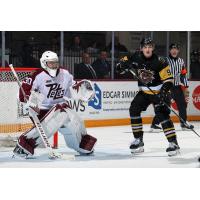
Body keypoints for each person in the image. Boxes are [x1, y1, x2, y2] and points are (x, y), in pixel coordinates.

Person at [13, 50, 97, 158]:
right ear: (44, 63)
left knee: (74, 119)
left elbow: (73, 87)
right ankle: (24, 144)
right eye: (50, 63)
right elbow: (23, 92)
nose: (54, 65)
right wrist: (29, 103)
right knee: (60, 112)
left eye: (55, 62)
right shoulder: (37, 75)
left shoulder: (64, 73)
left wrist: (84, 90)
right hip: (41, 110)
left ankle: (81, 145)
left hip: (60, 108)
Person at [117, 38, 180, 156]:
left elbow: (169, 80)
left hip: (159, 92)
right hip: (145, 92)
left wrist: (163, 92)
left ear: (153, 48)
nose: (147, 49)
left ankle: (173, 143)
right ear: (141, 48)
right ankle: (138, 140)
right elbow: (120, 67)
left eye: (150, 46)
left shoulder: (160, 61)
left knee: (162, 115)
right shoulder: (135, 56)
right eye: (145, 47)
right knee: (134, 109)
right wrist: (121, 66)